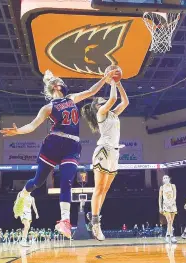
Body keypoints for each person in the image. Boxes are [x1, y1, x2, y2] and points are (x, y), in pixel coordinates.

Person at [1, 69, 118, 239]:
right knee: (38, 181)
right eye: (61, 82)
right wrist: (18, 131)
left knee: (67, 180)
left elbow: (91, 91)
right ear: (56, 86)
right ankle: (24, 194)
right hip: (54, 143)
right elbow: (33, 126)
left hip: (72, 145)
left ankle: (65, 221)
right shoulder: (48, 108)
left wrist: (104, 78)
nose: (64, 83)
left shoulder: (71, 98)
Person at [81, 71, 129, 241]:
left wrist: (119, 82)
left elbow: (125, 101)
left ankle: (94, 215)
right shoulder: (101, 112)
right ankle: (95, 222)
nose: (103, 100)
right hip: (103, 151)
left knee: (105, 190)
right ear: (97, 105)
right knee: (99, 188)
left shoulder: (113, 114)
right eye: (101, 100)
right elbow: (113, 99)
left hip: (114, 154)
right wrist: (112, 82)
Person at [159, 175, 177, 243]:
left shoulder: (173, 186)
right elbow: (160, 198)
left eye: (166, 177)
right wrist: (160, 207)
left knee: (171, 222)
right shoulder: (162, 187)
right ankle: (172, 236)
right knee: (169, 220)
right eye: (164, 178)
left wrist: (172, 202)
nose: (165, 179)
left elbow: (175, 195)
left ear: (169, 179)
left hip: (172, 205)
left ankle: (167, 235)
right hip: (165, 205)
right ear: (163, 180)